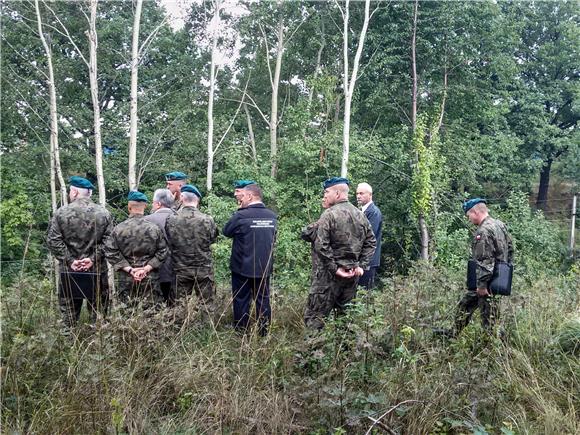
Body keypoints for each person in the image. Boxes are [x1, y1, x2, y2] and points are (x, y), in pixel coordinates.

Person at [303, 177, 376, 330]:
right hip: (351, 278)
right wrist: (360, 266)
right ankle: (344, 354)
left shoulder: (329, 215)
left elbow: (321, 245)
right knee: (345, 323)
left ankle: (313, 353)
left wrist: (335, 269)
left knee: (314, 321)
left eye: (326, 192)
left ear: (337, 194)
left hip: (327, 279)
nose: (325, 195)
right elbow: (371, 243)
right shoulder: (360, 215)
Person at [47, 176, 113, 331]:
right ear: (89, 193)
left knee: (68, 316)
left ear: (75, 192)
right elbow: (109, 243)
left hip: (69, 272)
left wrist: (71, 261)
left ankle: (68, 348)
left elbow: (53, 241)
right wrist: (92, 260)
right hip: (96, 271)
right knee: (99, 315)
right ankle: (98, 347)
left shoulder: (61, 213)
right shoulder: (104, 213)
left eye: (71, 191)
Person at [452, 198, 514, 336]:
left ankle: (495, 350)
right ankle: (453, 334)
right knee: (465, 305)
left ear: (475, 212)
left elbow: (486, 260)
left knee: (490, 321)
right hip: (498, 280)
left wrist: (482, 286)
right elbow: (510, 249)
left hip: (487, 283)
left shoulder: (484, 231)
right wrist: (505, 274)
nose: (469, 219)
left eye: (468, 215)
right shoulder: (499, 225)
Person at [223, 181, 277, 335]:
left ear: (250, 196)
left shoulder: (241, 215)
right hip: (264, 267)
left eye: (243, 196)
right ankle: (264, 332)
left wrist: (239, 211)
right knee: (263, 299)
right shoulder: (272, 216)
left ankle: (241, 332)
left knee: (241, 299)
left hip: (242, 267)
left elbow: (226, 231)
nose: (241, 199)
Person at [105, 191, 168, 310]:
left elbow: (110, 251)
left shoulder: (119, 229)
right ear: (145, 206)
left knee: (127, 313)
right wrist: (146, 268)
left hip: (127, 278)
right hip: (150, 278)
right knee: (152, 313)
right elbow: (163, 251)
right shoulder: (154, 229)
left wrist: (130, 269)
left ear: (129, 207)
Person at [165, 184, 219, 322]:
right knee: (207, 304)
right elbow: (213, 238)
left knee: (179, 304)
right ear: (197, 200)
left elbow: (169, 239)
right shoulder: (207, 219)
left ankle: (178, 332)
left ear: (182, 197)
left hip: (180, 268)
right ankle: (207, 333)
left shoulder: (172, 219)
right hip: (203, 268)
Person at [144, 188, 175, 306]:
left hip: (153, 269)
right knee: (174, 306)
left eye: (153, 202)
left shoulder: (147, 220)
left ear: (158, 204)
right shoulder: (180, 218)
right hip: (177, 270)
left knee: (154, 306)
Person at [356, 182, 383, 290]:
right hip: (361, 260)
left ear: (370, 195)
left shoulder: (374, 212)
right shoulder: (362, 211)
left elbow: (368, 236)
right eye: (357, 193)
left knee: (364, 294)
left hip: (368, 261)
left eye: (361, 193)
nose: (358, 196)